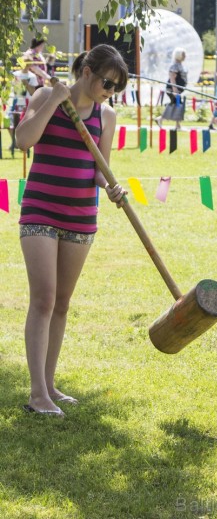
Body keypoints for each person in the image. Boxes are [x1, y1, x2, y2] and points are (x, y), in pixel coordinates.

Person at [16, 44, 128, 417]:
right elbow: (24, 140)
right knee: (44, 299)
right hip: (41, 209)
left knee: (62, 303)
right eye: (107, 83)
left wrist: (111, 185)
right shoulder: (46, 95)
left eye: (116, 87)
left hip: (81, 215)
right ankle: (36, 395)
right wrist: (53, 102)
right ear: (87, 72)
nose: (109, 91)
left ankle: (49, 385)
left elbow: (100, 166)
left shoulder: (105, 116)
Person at [155, 47, 187, 130]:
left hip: (177, 90)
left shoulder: (179, 65)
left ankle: (176, 124)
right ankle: (161, 119)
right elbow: (172, 78)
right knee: (176, 104)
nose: (185, 56)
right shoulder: (175, 65)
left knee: (176, 105)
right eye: (183, 54)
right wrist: (175, 90)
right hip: (173, 90)